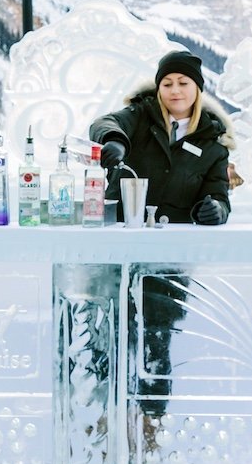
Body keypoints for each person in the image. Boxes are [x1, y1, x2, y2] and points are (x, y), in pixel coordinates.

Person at [90, 51, 234, 439]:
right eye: (167, 83)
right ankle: (106, 423)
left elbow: (220, 193)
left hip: (170, 261)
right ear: (158, 87)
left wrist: (214, 209)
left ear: (197, 89)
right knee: (115, 333)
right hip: (120, 251)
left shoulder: (212, 142)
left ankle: (150, 427)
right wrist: (114, 143)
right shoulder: (139, 118)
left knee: (157, 337)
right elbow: (104, 123)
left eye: (183, 83)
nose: (174, 90)